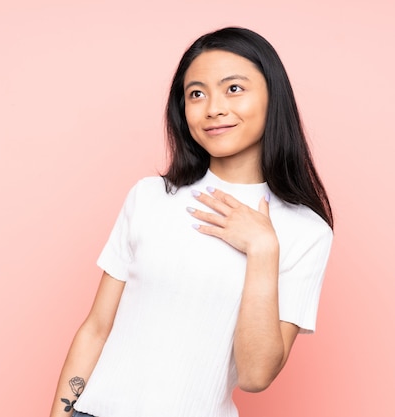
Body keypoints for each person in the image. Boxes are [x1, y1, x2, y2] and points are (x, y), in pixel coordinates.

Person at [49, 27, 334, 417]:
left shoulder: (306, 232)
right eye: (196, 93)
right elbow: (96, 328)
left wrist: (263, 250)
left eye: (234, 88)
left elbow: (255, 376)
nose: (213, 108)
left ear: (273, 96)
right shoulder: (150, 197)